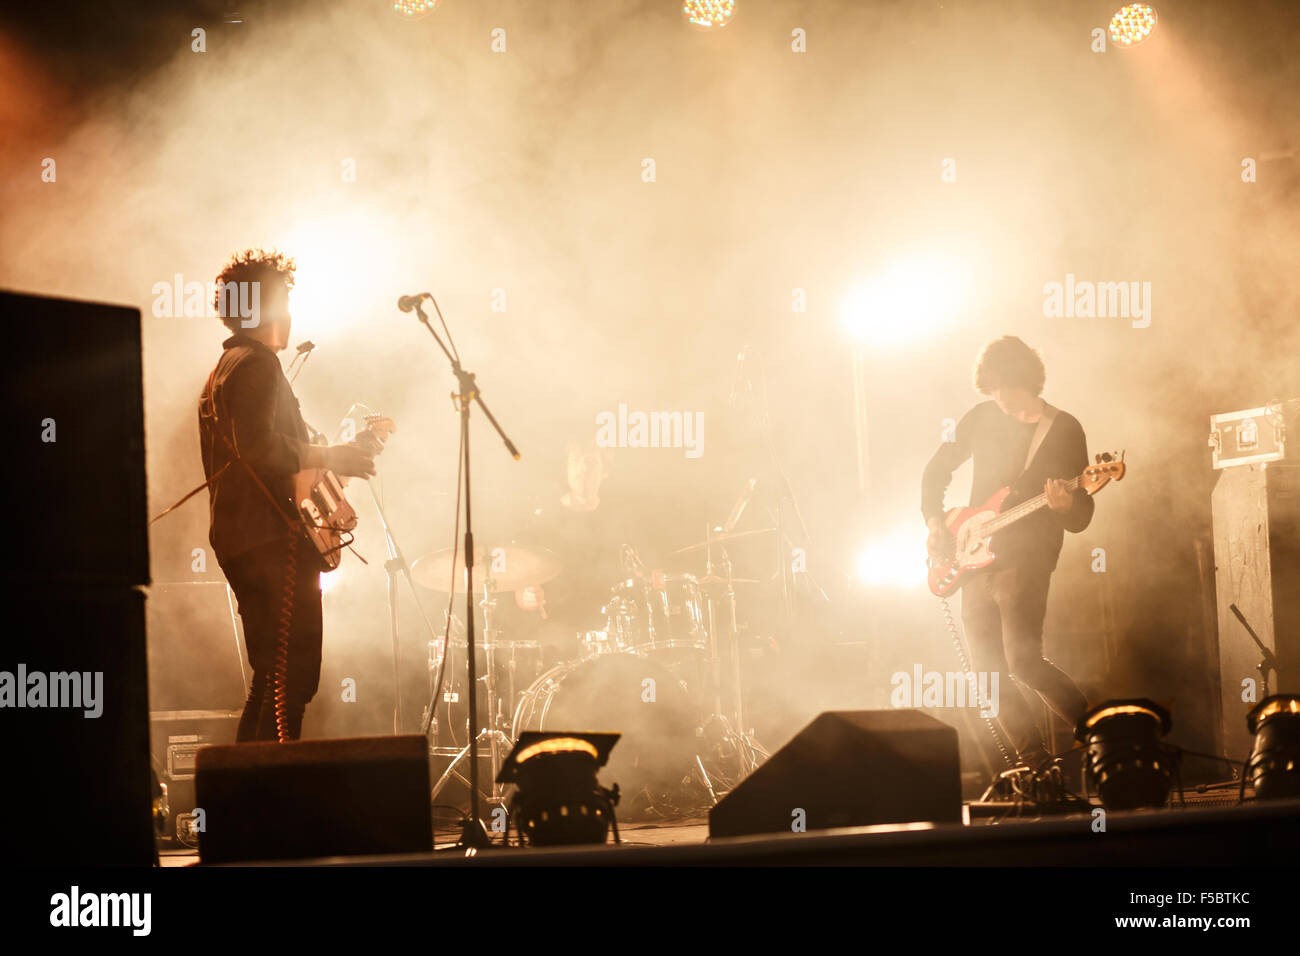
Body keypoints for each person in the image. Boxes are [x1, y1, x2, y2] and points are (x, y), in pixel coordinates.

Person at [198, 248, 374, 742]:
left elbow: (270, 455)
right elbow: (257, 447)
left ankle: (246, 806)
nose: (291, 316)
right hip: (272, 543)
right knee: (291, 682)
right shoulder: (256, 365)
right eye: (284, 302)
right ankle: (266, 806)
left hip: (247, 540)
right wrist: (335, 456)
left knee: (272, 683)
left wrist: (333, 457)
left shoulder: (226, 367)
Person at [921, 335, 1093, 770]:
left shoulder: (1064, 428)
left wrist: (1067, 504)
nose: (998, 397)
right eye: (991, 388)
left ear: (1027, 380)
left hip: (1026, 557)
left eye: (1005, 387)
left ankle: (1099, 734)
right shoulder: (981, 417)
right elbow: (935, 471)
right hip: (974, 555)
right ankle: (1033, 765)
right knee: (988, 675)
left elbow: (1083, 512)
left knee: (1023, 660)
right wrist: (935, 521)